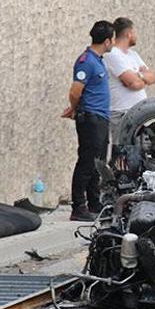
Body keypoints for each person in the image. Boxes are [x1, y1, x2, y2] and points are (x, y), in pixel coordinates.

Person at [61, 21, 115, 221]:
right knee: (86, 162)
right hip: (90, 118)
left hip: (101, 118)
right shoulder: (86, 61)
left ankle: (94, 202)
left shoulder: (98, 60)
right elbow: (75, 90)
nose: (113, 44)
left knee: (97, 163)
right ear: (107, 41)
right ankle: (78, 207)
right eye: (113, 40)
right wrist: (75, 108)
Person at [103, 17, 155, 141]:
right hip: (122, 113)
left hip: (140, 112)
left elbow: (152, 77)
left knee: (140, 153)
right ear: (129, 33)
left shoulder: (133, 55)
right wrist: (140, 78)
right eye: (135, 33)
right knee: (123, 152)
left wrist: (139, 76)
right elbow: (133, 84)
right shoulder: (113, 54)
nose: (136, 36)